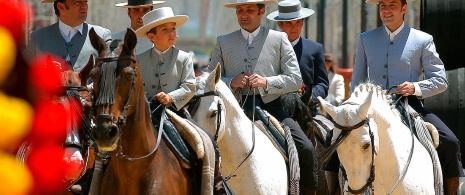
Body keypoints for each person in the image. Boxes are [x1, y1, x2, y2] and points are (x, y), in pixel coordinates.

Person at [351, 0, 464, 194]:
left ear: (404, 9)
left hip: (408, 104)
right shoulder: (365, 39)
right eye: (383, 5)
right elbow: (357, 83)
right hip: (373, 106)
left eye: (392, 5)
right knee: (335, 138)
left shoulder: (422, 39)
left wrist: (415, 87)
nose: (386, 10)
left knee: (451, 142)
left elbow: (441, 81)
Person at [209, 0, 318, 193]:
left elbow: (295, 79)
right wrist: (231, 81)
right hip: (234, 110)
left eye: (249, 10)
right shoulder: (223, 41)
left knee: (307, 149)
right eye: (240, 10)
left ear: (261, 12)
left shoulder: (279, 38)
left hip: (272, 108)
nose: (244, 14)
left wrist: (267, 82)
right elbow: (210, 80)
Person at [23, 0, 111, 193]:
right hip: (51, 111)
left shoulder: (103, 35)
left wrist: (88, 88)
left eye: (85, 2)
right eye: (77, 2)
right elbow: (25, 76)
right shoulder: (38, 37)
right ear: (61, 7)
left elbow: (108, 77)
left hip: (88, 111)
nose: (84, 6)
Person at [267, 0, 329, 106]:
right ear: (280, 24)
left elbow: (322, 84)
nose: (294, 27)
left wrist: (309, 96)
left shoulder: (315, 48)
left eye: (298, 22)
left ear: (302, 23)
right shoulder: (268, 49)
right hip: (276, 109)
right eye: (289, 23)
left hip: (307, 109)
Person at [135, 6, 195, 115]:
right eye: (164, 29)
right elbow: (134, 87)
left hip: (175, 112)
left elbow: (189, 87)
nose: (171, 33)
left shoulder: (184, 58)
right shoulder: (139, 59)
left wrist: (170, 97)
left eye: (173, 28)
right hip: (144, 113)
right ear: (152, 37)